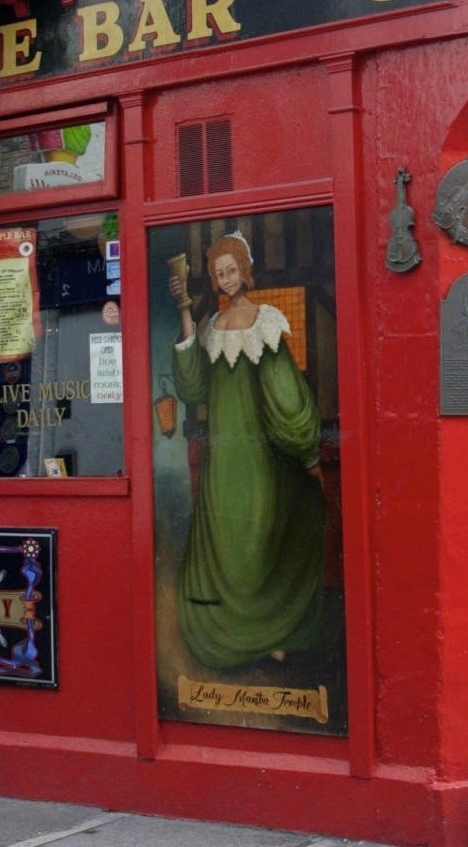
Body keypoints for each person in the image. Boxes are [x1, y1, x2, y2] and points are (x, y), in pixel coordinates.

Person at [167, 231, 326, 669]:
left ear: (245, 269)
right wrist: (184, 312)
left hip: (256, 458)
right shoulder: (209, 328)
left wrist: (304, 448)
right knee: (237, 543)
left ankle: (268, 636)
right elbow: (193, 387)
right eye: (219, 273)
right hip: (227, 460)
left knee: (255, 541)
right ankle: (250, 639)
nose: (226, 278)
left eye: (231, 269)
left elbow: (285, 398)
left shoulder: (265, 321)